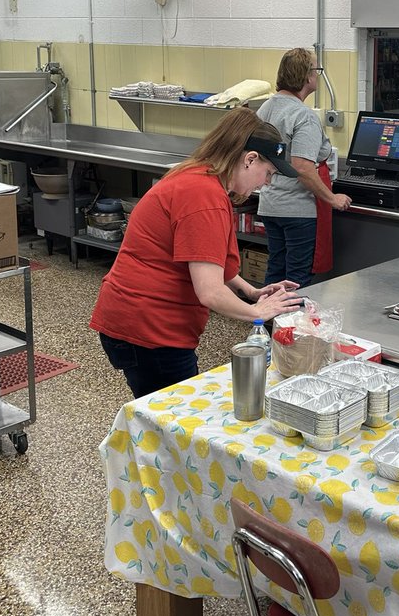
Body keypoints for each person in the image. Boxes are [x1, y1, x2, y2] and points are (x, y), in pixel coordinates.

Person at [91, 108, 304, 399]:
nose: (265, 183)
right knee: (172, 422)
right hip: (150, 329)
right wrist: (256, 313)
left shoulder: (197, 176)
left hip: (136, 320)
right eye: (268, 173)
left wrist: (250, 291)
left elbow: (206, 258)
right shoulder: (204, 197)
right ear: (249, 159)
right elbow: (210, 291)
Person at [257, 48, 353, 288]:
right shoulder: (303, 116)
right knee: (297, 280)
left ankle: (269, 324)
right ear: (307, 76)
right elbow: (303, 168)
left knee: (276, 271)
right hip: (297, 210)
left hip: (271, 204)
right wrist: (332, 198)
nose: (318, 75)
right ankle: (291, 326)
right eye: (317, 70)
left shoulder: (266, 108)